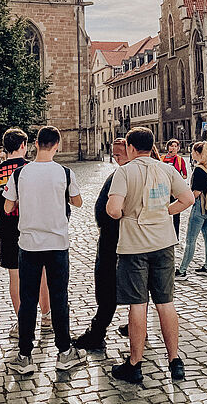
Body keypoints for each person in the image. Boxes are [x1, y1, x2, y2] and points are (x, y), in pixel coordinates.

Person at [106, 127, 195, 383]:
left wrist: (124, 214)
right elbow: (187, 198)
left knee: (138, 304)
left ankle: (134, 364)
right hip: (164, 243)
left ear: (131, 148)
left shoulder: (124, 172)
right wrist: (167, 210)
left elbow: (113, 209)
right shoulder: (167, 168)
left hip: (134, 246)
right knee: (165, 302)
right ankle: (174, 359)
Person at [3, 126, 85, 374]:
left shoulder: (20, 174)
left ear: (35, 144)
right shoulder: (65, 173)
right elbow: (78, 202)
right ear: (57, 145)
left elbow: (7, 208)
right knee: (59, 298)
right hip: (57, 244)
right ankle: (64, 352)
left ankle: (25, 356)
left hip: (29, 245)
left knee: (28, 300)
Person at [0, 128, 52, 339]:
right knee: (41, 273)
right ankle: (47, 317)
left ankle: (23, 323)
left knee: (15, 276)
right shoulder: (32, 169)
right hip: (34, 226)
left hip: (8, 229)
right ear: (24, 146)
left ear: (5, 147)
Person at [73, 138, 129, 350]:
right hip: (117, 239)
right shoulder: (125, 173)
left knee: (107, 286)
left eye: (118, 155)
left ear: (131, 151)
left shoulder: (124, 175)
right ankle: (131, 326)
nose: (115, 159)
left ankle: (97, 332)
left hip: (114, 240)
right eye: (113, 155)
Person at [176, 141, 207, 279]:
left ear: (198, 153)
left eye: (193, 151)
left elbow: (196, 193)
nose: (191, 153)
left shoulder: (199, 169)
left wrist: (182, 203)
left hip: (199, 208)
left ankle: (182, 270)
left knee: (190, 239)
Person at [162, 139, 188, 237]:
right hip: (164, 190)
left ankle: (176, 235)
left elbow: (185, 175)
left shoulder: (180, 160)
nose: (173, 148)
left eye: (175, 146)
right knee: (163, 212)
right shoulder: (162, 159)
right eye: (171, 146)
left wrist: (178, 178)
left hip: (175, 191)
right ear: (168, 147)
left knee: (176, 214)